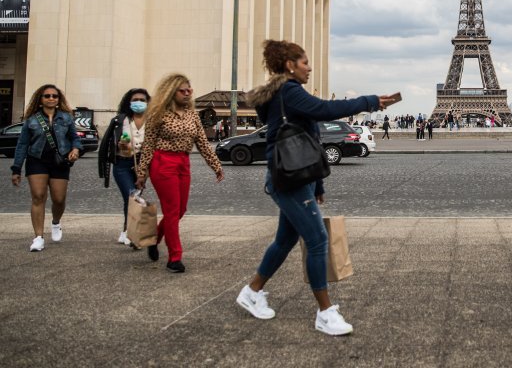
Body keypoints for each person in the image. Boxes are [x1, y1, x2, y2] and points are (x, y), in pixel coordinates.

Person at [238, 39, 390, 336]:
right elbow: (324, 109)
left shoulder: (284, 95)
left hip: (295, 177)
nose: (310, 67)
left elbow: (307, 140)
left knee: (284, 240)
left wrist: (317, 182)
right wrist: (370, 101)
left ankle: (252, 291)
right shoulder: (289, 92)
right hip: (289, 180)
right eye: (305, 62)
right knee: (318, 240)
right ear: (289, 65)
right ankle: (325, 312)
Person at [135, 74, 224, 273]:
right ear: (171, 92)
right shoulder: (159, 113)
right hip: (163, 162)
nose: (186, 94)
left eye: (189, 90)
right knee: (172, 211)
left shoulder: (192, 114)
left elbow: (202, 142)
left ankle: (154, 239)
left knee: (180, 210)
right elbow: (148, 145)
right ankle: (175, 257)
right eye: (182, 91)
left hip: (183, 162)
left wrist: (216, 166)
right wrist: (142, 173)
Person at [10, 84, 82, 251]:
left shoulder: (66, 118)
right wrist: (16, 169)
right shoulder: (31, 120)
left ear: (58, 100)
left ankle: (55, 222)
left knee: (58, 199)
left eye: (54, 96)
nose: (51, 98)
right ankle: (38, 237)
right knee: (38, 196)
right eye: (47, 96)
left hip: (60, 162)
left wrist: (76, 149)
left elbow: (75, 138)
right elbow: (22, 145)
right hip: (37, 161)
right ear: (40, 99)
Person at [98, 88, 150, 246]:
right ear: (129, 102)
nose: (139, 103)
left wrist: (146, 169)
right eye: (135, 100)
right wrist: (119, 144)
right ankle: (132, 233)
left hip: (142, 165)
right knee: (132, 196)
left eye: (142, 100)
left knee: (132, 198)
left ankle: (126, 230)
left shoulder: (153, 121)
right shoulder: (120, 120)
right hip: (122, 163)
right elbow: (107, 142)